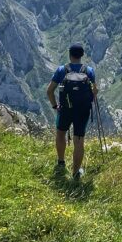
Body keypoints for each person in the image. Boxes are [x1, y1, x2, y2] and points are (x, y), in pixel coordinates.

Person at [46, 43, 97, 180]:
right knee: (79, 140)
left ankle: (61, 162)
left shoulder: (62, 70)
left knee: (60, 133)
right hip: (83, 110)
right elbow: (94, 91)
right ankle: (75, 173)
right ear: (82, 55)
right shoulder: (89, 71)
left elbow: (49, 91)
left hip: (65, 109)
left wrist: (55, 106)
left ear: (70, 54)